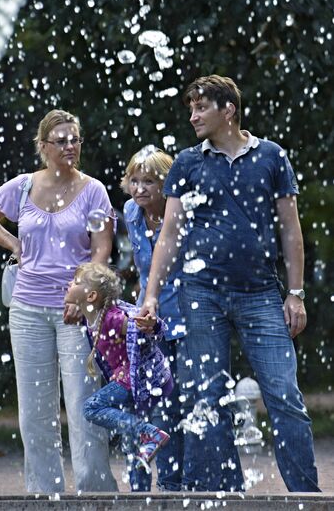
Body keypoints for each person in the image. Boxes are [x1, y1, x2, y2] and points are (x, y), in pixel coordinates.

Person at [140, 75, 320, 492]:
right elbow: (169, 234)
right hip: (200, 293)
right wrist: (151, 295)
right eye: (190, 108)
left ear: (228, 110)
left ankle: (307, 497)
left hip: (261, 293)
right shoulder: (187, 162)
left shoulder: (272, 157)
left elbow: (291, 231)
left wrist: (295, 294)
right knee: (205, 399)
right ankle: (223, 495)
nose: (193, 116)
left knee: (284, 396)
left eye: (201, 107)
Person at [0, 109, 118, 494]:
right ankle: (44, 495)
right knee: (35, 413)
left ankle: (96, 494)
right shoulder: (21, 187)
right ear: (43, 147)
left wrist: (83, 293)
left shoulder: (94, 190)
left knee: (84, 406)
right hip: (27, 311)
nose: (71, 146)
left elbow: (101, 250)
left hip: (78, 311)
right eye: (62, 140)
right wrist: (15, 244)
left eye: (75, 139)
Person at [64, 261, 173, 491]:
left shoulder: (111, 319)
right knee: (131, 446)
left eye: (74, 282)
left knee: (91, 408)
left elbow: (141, 325)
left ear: (91, 295)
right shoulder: (90, 315)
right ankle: (139, 496)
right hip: (128, 380)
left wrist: (151, 325)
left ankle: (150, 432)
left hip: (136, 381)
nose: (68, 284)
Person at [121, 145, 185, 491]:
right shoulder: (131, 211)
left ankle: (174, 485)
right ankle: (138, 486)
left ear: (166, 185)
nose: (140, 188)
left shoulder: (181, 213)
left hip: (181, 319)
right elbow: (143, 270)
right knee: (139, 407)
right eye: (135, 180)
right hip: (146, 321)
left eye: (150, 181)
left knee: (172, 408)